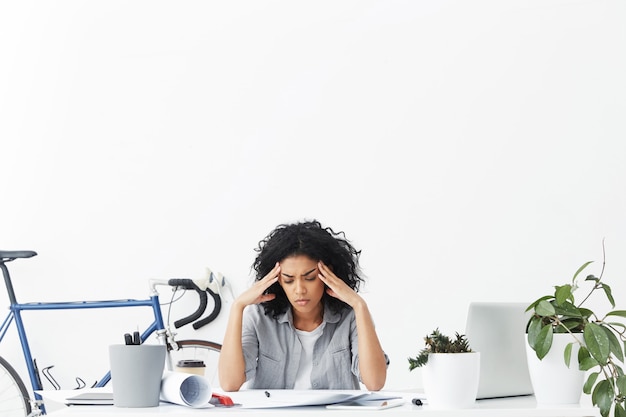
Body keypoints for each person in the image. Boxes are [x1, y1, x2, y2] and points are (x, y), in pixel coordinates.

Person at [218, 220, 388, 392]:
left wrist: (360, 305)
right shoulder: (259, 316)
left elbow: (375, 382)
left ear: (328, 274)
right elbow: (229, 383)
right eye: (289, 280)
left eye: (310, 278)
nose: (299, 290)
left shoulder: (350, 316)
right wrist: (237, 307)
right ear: (277, 280)